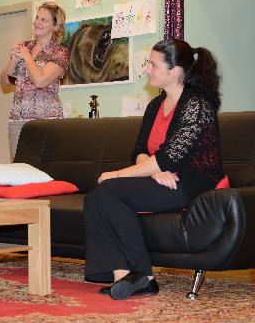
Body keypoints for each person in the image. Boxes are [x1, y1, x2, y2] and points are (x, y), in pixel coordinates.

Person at [84, 39, 224, 300]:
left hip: (191, 181)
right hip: (164, 176)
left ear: (175, 71)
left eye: (153, 65)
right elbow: (140, 150)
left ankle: (144, 277)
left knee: (109, 189)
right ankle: (123, 276)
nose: (147, 69)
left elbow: (169, 158)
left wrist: (118, 174)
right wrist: (152, 170)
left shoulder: (197, 106)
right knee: (95, 197)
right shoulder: (155, 106)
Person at [0, 2, 70, 160]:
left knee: (44, 171)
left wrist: (26, 57)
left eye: (44, 20)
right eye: (37, 18)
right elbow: (5, 82)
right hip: (18, 122)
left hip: (47, 123)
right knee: (19, 170)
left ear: (55, 26)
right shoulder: (25, 46)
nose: (37, 22)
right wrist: (13, 61)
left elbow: (40, 81)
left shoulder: (60, 53)